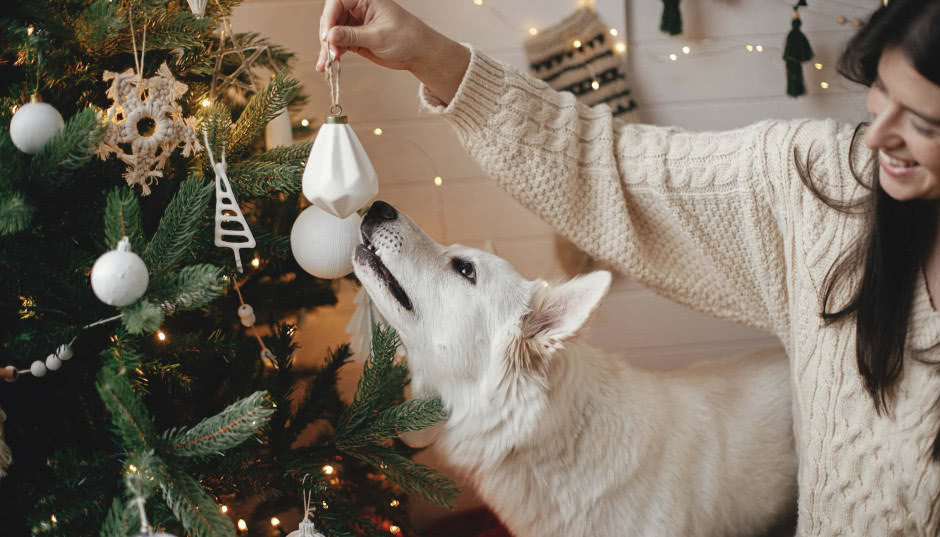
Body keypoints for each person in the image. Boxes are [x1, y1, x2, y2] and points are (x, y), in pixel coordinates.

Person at [316, 0, 940, 534]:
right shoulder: (821, 185)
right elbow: (610, 167)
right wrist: (432, 55)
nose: (876, 135)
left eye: (922, 122)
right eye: (877, 92)